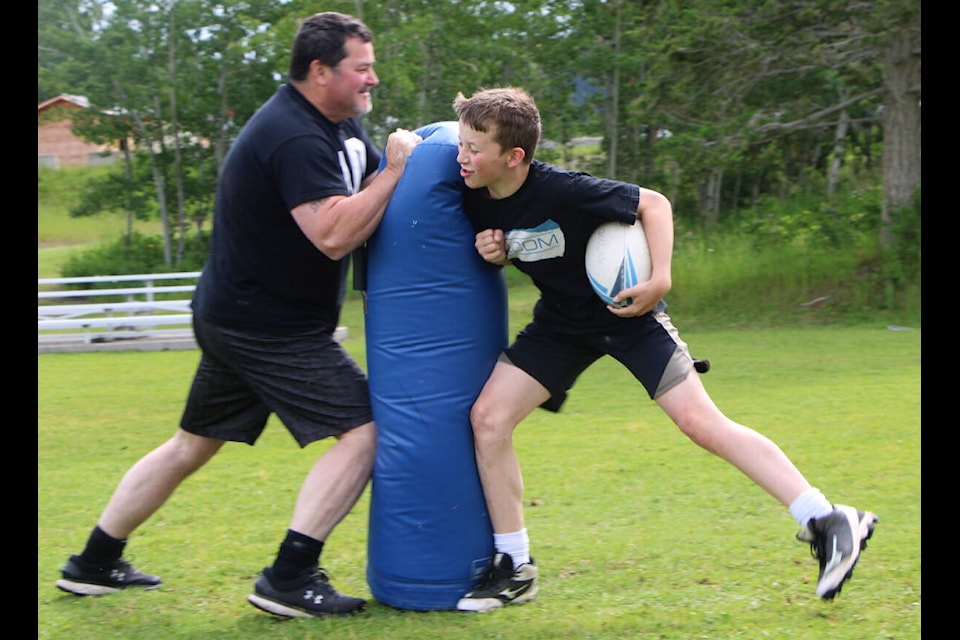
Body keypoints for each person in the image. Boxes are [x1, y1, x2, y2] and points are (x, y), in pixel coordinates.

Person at [450, 86, 877, 612]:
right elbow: (522, 247)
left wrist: (661, 280)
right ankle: (515, 565)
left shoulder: (564, 188)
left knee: (701, 423)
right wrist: (495, 253)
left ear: (513, 157)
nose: (461, 157)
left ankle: (827, 518)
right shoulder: (470, 191)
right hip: (560, 325)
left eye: (473, 147)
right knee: (488, 418)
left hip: (631, 317)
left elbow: (654, 203)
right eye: (462, 144)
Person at [55, 12, 422, 619]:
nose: (373, 79)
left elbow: (365, 203)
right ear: (319, 70)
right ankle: (290, 575)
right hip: (267, 323)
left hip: (235, 314)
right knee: (365, 432)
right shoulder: (296, 135)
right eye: (362, 68)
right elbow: (331, 234)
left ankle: (92, 564)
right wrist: (395, 171)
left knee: (190, 446)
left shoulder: (334, 124)